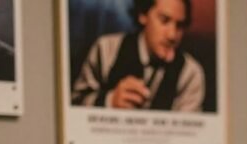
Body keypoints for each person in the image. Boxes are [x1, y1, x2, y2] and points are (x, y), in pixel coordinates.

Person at [71, 0, 204, 112]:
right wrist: (109, 101)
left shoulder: (190, 74)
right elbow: (74, 105)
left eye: (179, 25)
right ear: (143, 15)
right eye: (164, 20)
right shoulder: (106, 49)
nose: (172, 35)